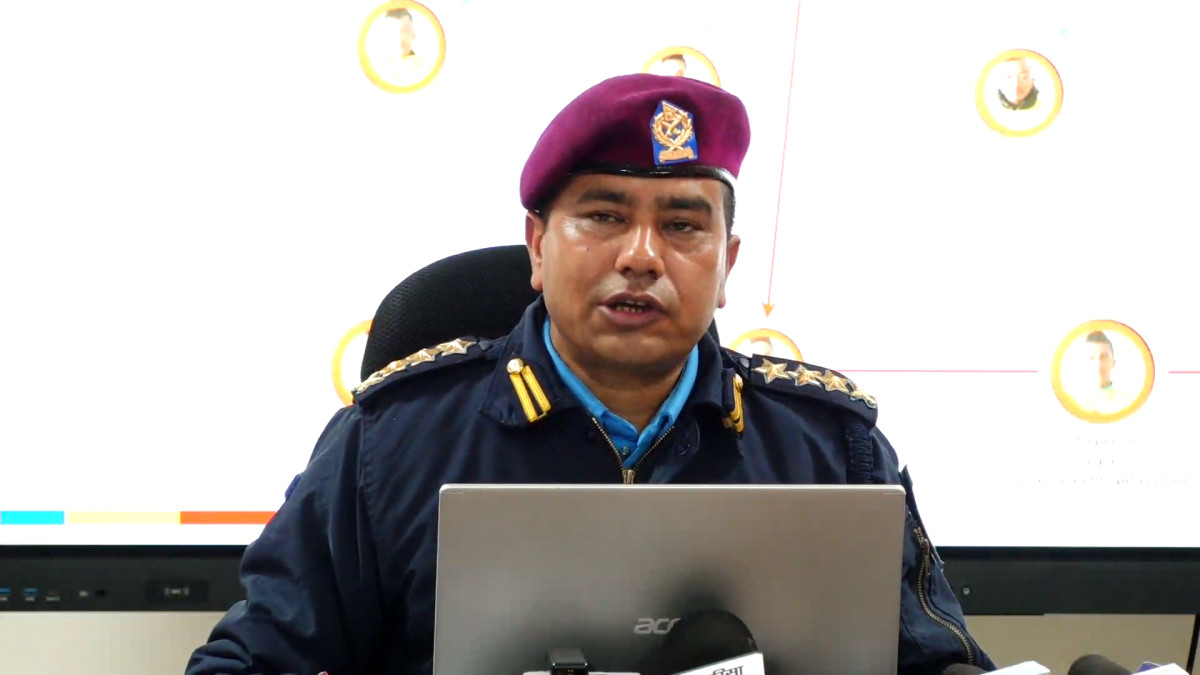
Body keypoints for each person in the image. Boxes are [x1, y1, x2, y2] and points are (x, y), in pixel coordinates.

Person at [186, 73, 995, 675]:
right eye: (605, 216)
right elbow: (247, 659)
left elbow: (939, 660)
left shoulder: (833, 450)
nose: (641, 256)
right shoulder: (388, 443)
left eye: (683, 225)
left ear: (727, 264)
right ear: (538, 246)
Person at [1076, 330, 1132, 414]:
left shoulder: (1128, 401)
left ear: (1113, 363)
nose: (1098, 364)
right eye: (1091, 358)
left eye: (1104, 357)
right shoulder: (1073, 401)